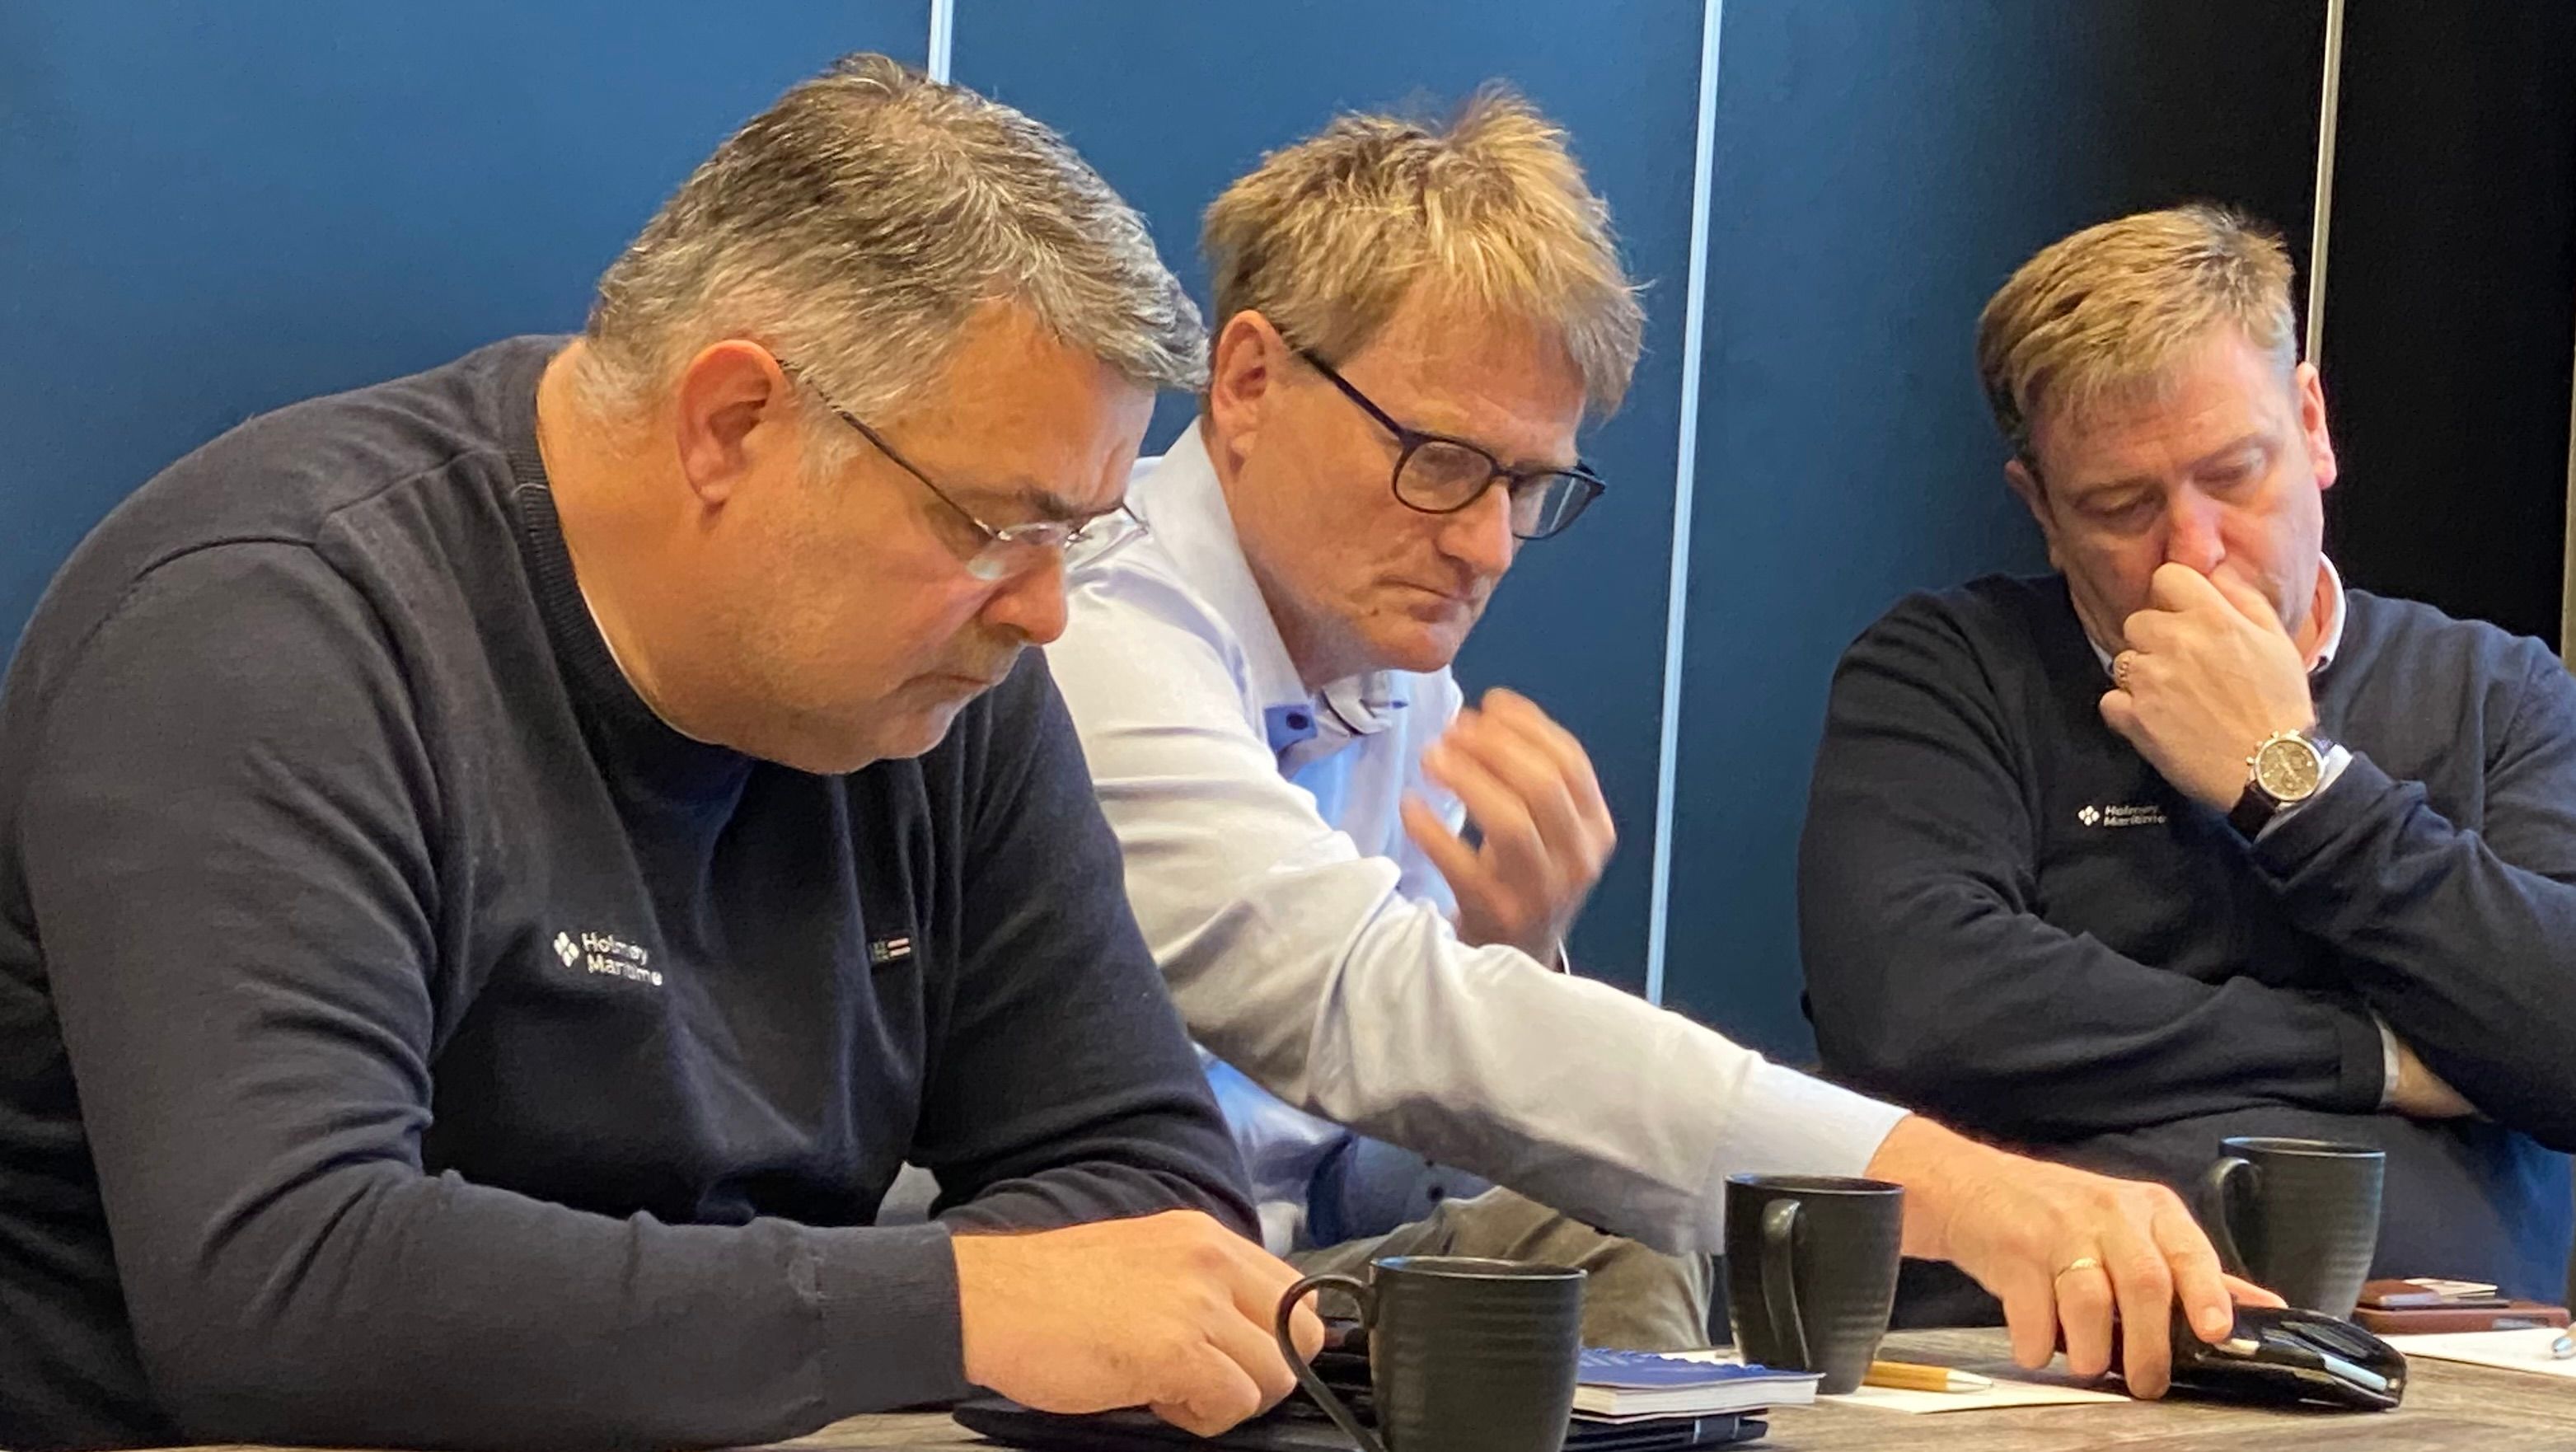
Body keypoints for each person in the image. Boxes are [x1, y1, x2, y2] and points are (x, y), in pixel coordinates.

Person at [0, 55, 1323, 1452]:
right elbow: (287, 1293)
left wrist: (842, 1320)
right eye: (997, 523)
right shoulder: (272, 627)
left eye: (1075, 534)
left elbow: (1148, 1198)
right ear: (731, 423)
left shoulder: (945, 680)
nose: (1044, 608)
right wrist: (945, 1304)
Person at [1049, 94, 2268, 1391]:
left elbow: (1346, 1164)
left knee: (1613, 1223)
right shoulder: (1092, 629)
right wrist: (1968, 1193)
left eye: (1527, 483)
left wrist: (1500, 960)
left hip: (1268, 1280)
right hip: (1072, 1297)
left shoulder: (1391, 666)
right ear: (1248, 383)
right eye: (1440, 460)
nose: (1485, 545)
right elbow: (1361, 1003)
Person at [1800, 204, 2576, 1309]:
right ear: (2041, 509)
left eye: (2235, 473)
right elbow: (1908, 1009)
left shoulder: (2498, 693)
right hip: (2028, 1355)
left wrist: (2289, 781)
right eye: (2120, 507)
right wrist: (2374, 1056)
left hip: (2443, 1356)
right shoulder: (1949, 673)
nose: (2196, 550)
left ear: (2311, 425)